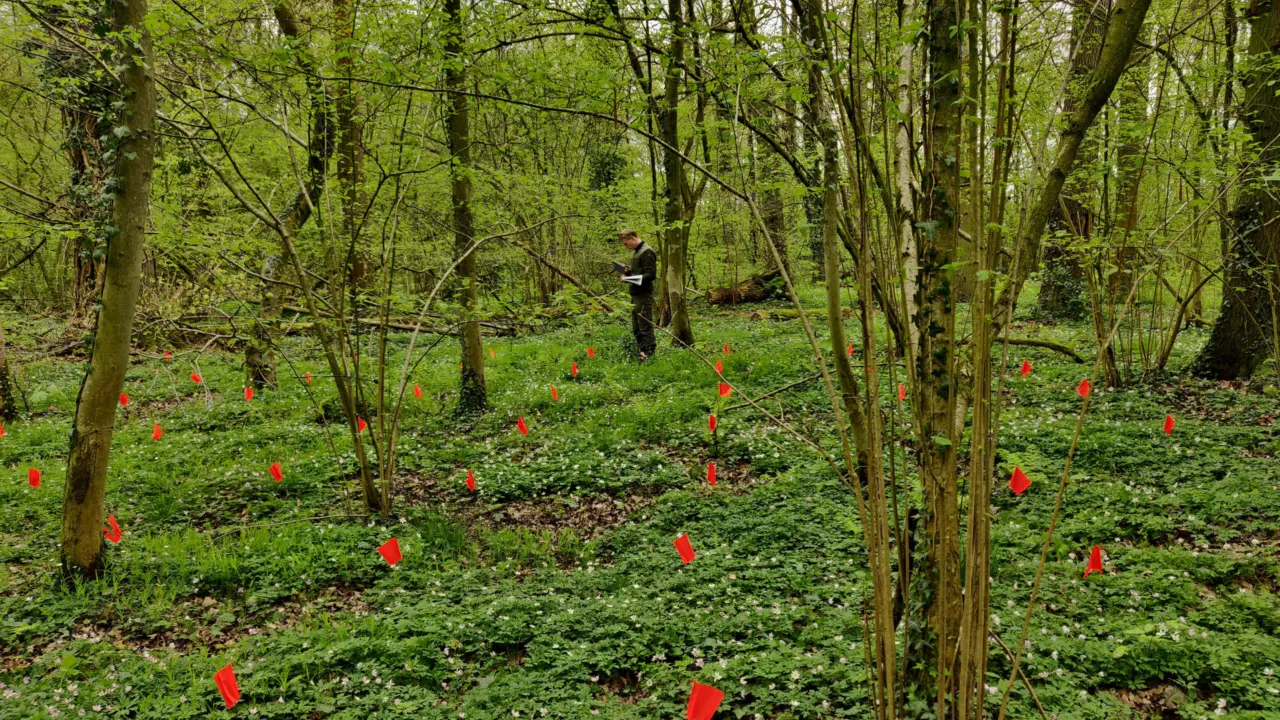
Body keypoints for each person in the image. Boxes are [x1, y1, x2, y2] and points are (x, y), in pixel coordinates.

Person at [618, 229, 657, 360]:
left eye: (626, 243)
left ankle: (649, 355)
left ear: (633, 238)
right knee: (637, 328)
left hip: (644, 295)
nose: (626, 246)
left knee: (645, 326)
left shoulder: (647, 251)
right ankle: (642, 353)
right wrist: (627, 271)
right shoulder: (637, 252)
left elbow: (650, 275)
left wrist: (628, 279)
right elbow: (638, 273)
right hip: (635, 294)